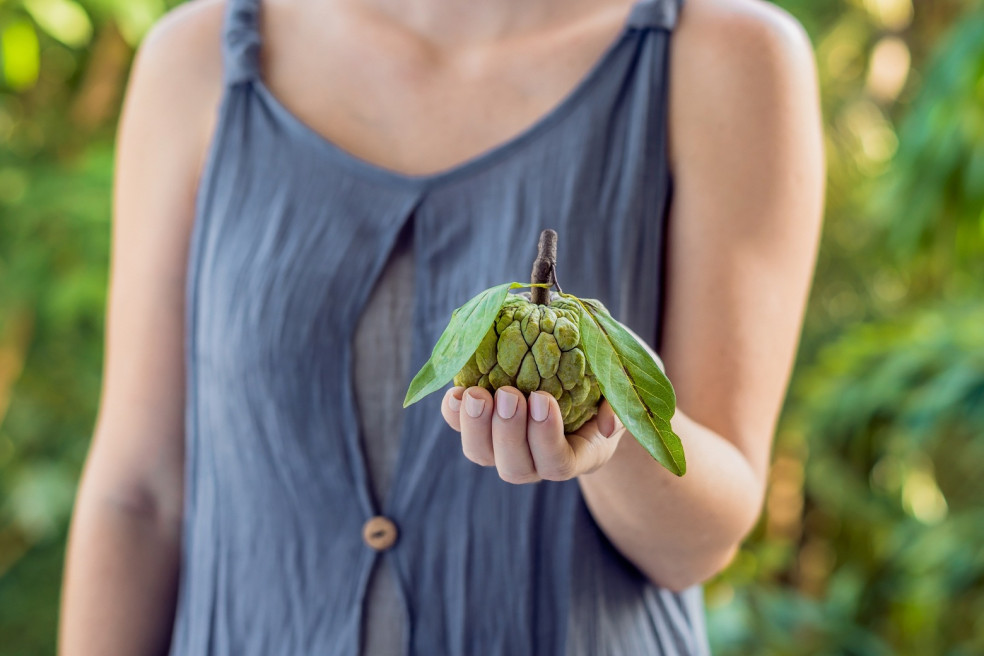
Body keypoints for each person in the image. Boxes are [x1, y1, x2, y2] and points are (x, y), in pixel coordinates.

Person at [57, 0, 824, 653]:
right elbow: (138, 496)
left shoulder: (727, 56)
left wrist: (610, 426)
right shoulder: (199, 58)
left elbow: (701, 542)